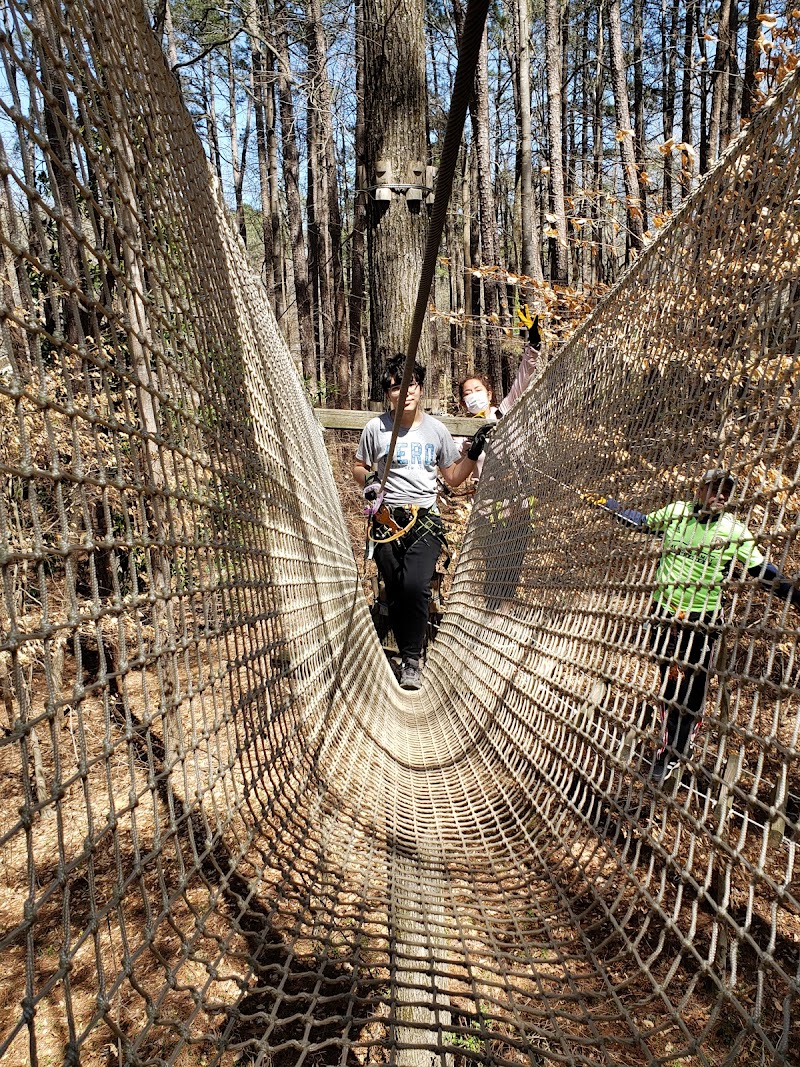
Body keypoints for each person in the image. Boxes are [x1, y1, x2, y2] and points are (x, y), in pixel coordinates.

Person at [603, 468, 800, 784]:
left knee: (693, 689)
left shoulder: (733, 532)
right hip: (665, 616)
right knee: (672, 683)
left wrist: (794, 595)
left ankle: (675, 750)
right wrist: (610, 504)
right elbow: (641, 523)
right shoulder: (677, 514)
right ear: (700, 489)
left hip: (702, 622)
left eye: (727, 491)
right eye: (715, 488)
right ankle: (671, 746)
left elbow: (764, 572)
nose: (721, 495)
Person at [353, 355, 492, 690]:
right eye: (394, 387)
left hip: (425, 519)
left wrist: (473, 454)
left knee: (416, 585)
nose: (404, 393)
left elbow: (454, 477)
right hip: (387, 519)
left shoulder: (436, 430)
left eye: (409, 384)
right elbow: (359, 465)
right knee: (397, 587)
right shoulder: (377, 428)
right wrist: (369, 481)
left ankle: (411, 659)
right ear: (387, 394)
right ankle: (405, 649)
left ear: (420, 387)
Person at [455, 309, 543, 480]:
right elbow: (454, 462)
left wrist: (533, 345)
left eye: (477, 390)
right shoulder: (461, 430)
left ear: (489, 395)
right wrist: (468, 447)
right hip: (483, 499)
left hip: (517, 490)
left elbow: (523, 378)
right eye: (468, 393)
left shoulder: (504, 412)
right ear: (464, 402)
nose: (474, 395)